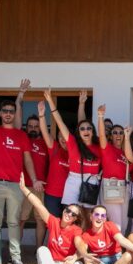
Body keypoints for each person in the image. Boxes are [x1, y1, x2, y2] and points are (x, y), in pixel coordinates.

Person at [0, 83, 44, 264]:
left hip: (15, 186)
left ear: (14, 114)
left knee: (14, 223)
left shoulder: (21, 136)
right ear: (0, 113)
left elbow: (28, 160)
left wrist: (35, 179)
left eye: (11, 111)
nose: (8, 113)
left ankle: (16, 259)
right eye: (5, 111)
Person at [19, 173, 84, 264]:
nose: (69, 214)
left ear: (75, 219)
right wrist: (25, 189)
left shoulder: (76, 229)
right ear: (63, 210)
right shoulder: (53, 221)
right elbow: (39, 205)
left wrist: (75, 257)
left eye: (73, 214)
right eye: (68, 210)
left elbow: (80, 245)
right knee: (42, 249)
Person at [45, 88, 101, 227]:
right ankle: (67, 244)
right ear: (78, 132)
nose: (85, 131)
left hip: (91, 183)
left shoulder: (99, 145)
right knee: (70, 215)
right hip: (74, 181)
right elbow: (59, 122)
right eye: (82, 129)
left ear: (93, 131)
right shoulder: (73, 144)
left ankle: (84, 244)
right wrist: (51, 102)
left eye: (89, 128)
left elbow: (83, 122)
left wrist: (83, 105)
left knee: (88, 217)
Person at [35, 101, 70, 241]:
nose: (62, 139)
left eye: (64, 136)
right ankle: (52, 250)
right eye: (60, 136)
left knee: (67, 225)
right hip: (52, 195)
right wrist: (42, 115)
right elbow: (44, 132)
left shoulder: (75, 152)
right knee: (53, 224)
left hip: (69, 196)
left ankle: (64, 250)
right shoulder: (54, 148)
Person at [18, 113, 49, 249]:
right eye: (30, 126)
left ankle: (38, 251)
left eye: (36, 126)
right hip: (24, 187)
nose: (33, 129)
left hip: (41, 188)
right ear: (26, 127)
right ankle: (16, 253)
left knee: (40, 220)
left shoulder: (46, 144)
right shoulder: (22, 140)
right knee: (21, 220)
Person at [96, 104, 129, 230]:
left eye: (121, 132)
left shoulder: (126, 152)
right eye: (115, 132)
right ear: (111, 136)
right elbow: (102, 135)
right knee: (117, 224)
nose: (118, 134)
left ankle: (120, 246)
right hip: (110, 185)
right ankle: (117, 248)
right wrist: (100, 116)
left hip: (124, 187)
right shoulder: (107, 149)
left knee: (125, 221)